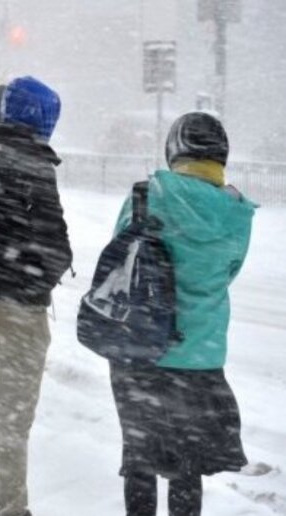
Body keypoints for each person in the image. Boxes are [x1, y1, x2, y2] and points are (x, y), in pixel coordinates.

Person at [109, 112, 255, 516]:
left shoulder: (145, 195)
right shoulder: (237, 213)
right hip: (199, 355)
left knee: (139, 459)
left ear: (174, 148)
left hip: (140, 351)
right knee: (185, 466)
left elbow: (119, 260)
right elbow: (229, 272)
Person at [0, 77, 72, 516]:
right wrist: (34, 280)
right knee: (13, 417)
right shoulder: (31, 166)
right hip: (16, 310)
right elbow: (55, 247)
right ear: (42, 117)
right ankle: (11, 509)